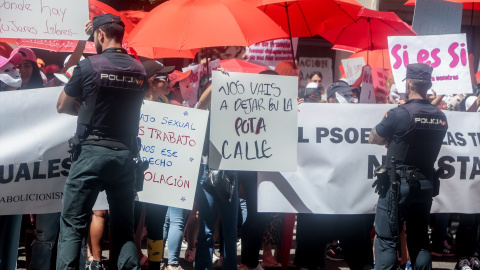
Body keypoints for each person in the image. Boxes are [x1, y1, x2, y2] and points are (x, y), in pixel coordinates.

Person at [56, 13, 147, 270]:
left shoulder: (89, 66)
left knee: (74, 224)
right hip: (124, 155)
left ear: (100, 35)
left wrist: (84, 111)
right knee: (123, 228)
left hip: (91, 154)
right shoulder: (139, 70)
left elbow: (62, 105)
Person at [369, 63, 448, 270]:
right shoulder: (441, 117)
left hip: (398, 184)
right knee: (420, 240)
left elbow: (374, 137)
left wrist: (391, 139)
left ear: (409, 83)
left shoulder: (398, 113)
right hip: (425, 183)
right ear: (429, 84)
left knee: (386, 239)